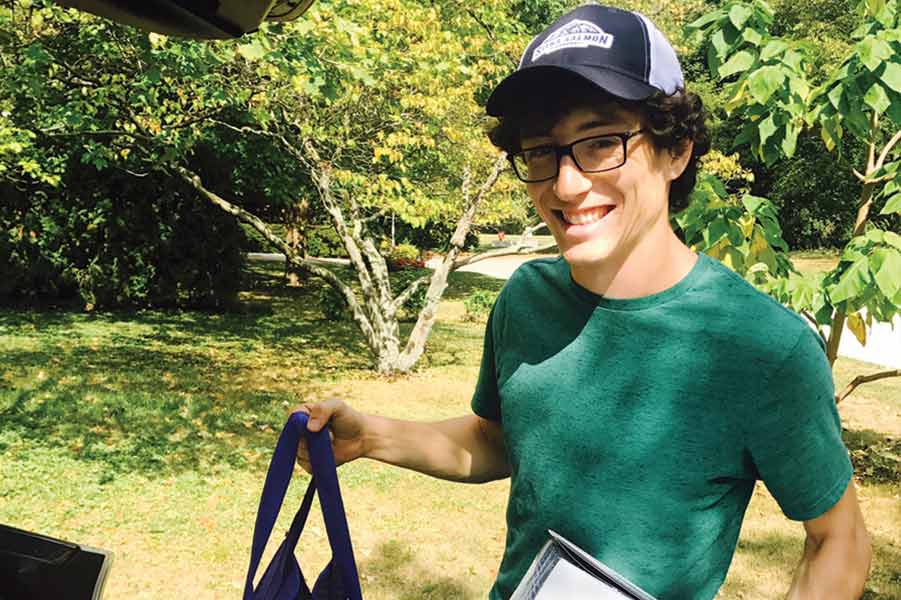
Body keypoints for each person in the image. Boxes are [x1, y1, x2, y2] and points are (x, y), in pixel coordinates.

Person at [295, 4, 872, 598]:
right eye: (542, 150)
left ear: (677, 150)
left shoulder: (761, 347)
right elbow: (498, 440)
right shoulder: (525, 300)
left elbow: (841, 541)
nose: (565, 185)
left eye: (601, 143)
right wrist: (373, 436)